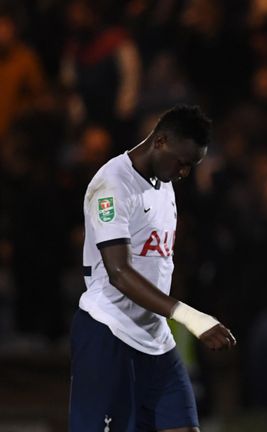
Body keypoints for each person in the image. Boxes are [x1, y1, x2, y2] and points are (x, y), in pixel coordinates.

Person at [70, 105, 236, 431]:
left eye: (192, 166)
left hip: (154, 338)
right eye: (182, 162)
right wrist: (191, 316)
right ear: (160, 141)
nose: (184, 172)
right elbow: (118, 272)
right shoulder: (113, 184)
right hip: (109, 333)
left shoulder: (165, 182)